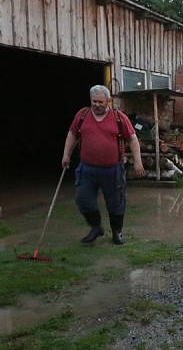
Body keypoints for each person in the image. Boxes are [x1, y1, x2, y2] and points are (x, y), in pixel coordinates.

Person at [62, 85, 145, 244]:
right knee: (83, 199)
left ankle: (117, 232)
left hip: (112, 169)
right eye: (94, 101)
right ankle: (96, 227)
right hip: (87, 169)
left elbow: (133, 139)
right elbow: (72, 135)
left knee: (115, 203)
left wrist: (138, 162)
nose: (97, 105)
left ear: (108, 101)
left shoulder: (119, 117)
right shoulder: (82, 115)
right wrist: (66, 155)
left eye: (100, 102)